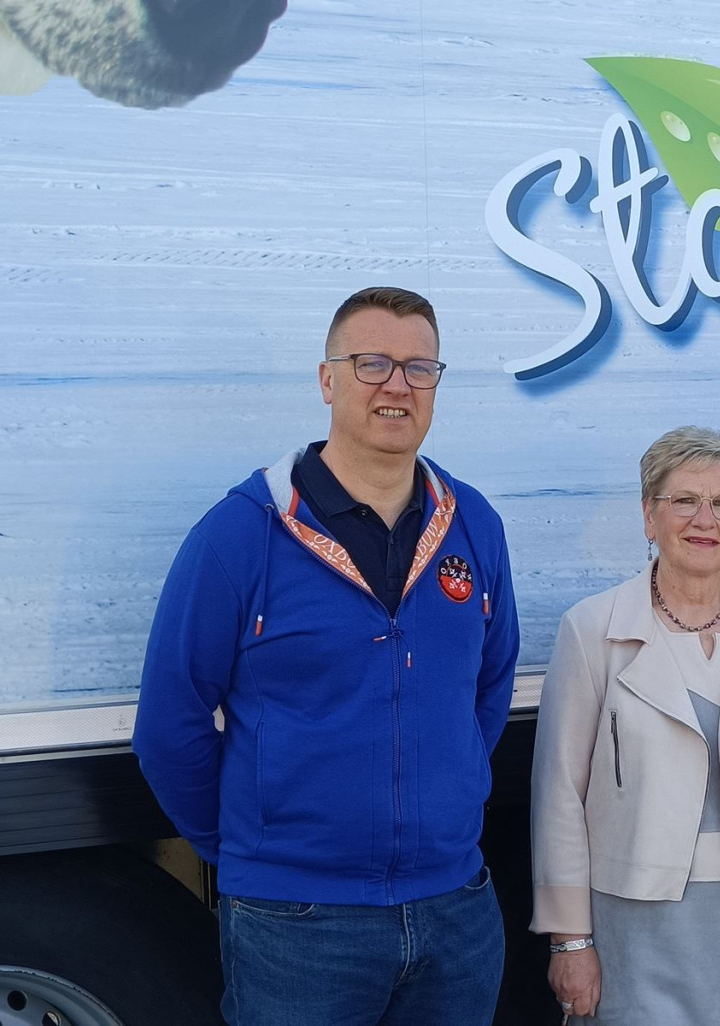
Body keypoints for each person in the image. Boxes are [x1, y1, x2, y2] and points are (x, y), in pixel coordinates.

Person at [133, 286, 520, 1026]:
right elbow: (169, 721)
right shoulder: (241, 534)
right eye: (371, 363)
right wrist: (258, 850)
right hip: (297, 923)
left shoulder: (473, 524)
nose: (396, 385)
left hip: (455, 910)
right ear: (327, 380)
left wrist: (450, 795)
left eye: (419, 367)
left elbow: (487, 685)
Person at [530, 426, 720, 1025]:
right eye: (683, 501)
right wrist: (570, 941)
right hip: (635, 922)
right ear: (649, 515)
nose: (705, 519)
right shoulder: (592, 630)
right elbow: (559, 797)